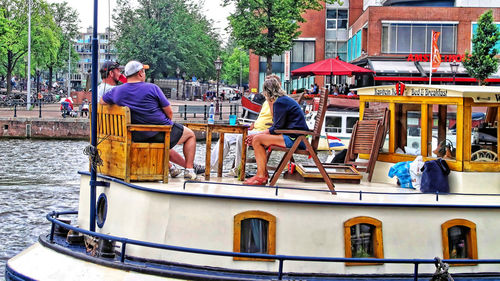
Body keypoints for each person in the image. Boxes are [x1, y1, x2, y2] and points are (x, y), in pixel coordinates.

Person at [101, 60, 202, 180]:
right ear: (140, 73)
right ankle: (189, 169)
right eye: (144, 71)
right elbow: (169, 111)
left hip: (135, 135)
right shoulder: (152, 88)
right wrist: (167, 124)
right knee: (190, 135)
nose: (144, 74)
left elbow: (101, 103)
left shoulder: (116, 91)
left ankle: (172, 167)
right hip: (159, 132)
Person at [243, 77, 309, 185]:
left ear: (266, 92)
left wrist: (258, 134)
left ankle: (261, 176)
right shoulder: (283, 100)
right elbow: (278, 126)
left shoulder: (279, 102)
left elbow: (276, 128)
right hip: (295, 137)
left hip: (294, 139)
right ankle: (262, 174)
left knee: (257, 140)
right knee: (257, 139)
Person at [210, 75, 277, 177]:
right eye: (266, 85)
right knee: (226, 135)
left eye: (269, 85)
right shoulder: (266, 101)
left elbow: (277, 120)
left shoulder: (277, 101)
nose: (265, 88)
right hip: (255, 128)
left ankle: (238, 169)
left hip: (264, 132)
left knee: (242, 137)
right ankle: (211, 166)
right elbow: (263, 118)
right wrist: (253, 124)